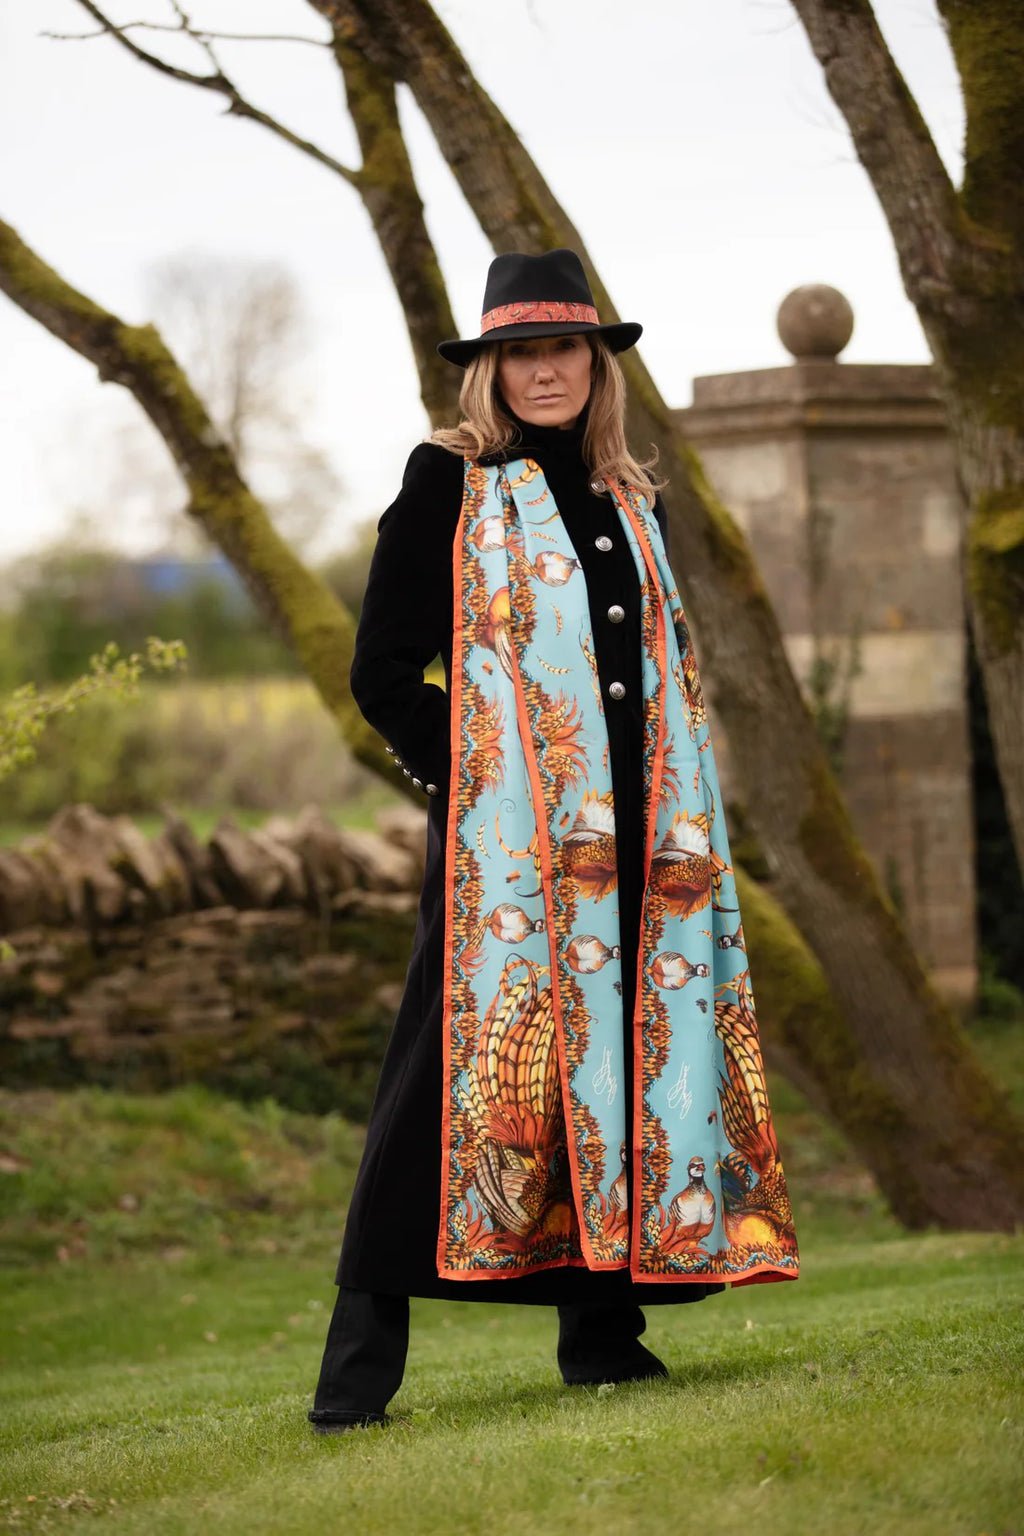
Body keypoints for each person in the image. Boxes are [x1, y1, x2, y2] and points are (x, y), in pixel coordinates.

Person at [308, 249, 799, 1433]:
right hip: (510, 859)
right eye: (519, 353)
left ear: (595, 364)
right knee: (438, 1080)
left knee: (621, 1072)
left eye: (562, 350)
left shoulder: (634, 495)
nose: (543, 371)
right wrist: (482, 782)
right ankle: (355, 1375)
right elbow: (381, 672)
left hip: (643, 849)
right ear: (489, 368)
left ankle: (603, 1342)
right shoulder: (448, 483)